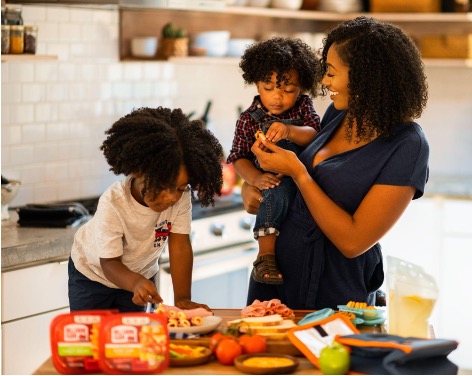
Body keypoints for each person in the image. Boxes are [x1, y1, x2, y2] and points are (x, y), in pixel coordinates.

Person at [242, 16, 430, 310]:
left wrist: (298, 173)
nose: (325, 81)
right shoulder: (339, 114)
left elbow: (353, 241)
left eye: (331, 72)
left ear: (366, 76)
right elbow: (292, 185)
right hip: (278, 277)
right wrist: (254, 183)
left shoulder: (408, 145)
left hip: (336, 290)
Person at [68, 107, 224, 312]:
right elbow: (108, 263)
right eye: (164, 186)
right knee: (92, 338)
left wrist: (183, 298)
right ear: (138, 172)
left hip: (140, 276)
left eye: (179, 188)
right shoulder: (114, 203)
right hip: (93, 277)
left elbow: (180, 246)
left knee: (136, 338)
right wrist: (135, 282)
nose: (172, 197)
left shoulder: (181, 199)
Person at [227, 37, 322, 285]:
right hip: (272, 180)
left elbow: (314, 134)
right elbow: (238, 157)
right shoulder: (248, 119)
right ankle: (265, 256)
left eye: (288, 90)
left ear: (301, 87)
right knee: (275, 195)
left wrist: (290, 131)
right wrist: (255, 178)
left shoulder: (303, 108)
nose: (277, 97)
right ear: (256, 83)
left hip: (300, 179)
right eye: (268, 88)